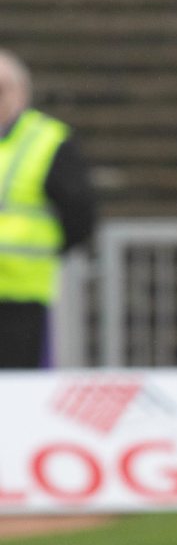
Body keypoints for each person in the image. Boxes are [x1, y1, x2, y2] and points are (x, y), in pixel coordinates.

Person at [0, 49, 97, 369]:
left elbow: (80, 213)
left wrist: (46, 249)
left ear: (22, 93)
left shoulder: (47, 140)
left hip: (20, 295)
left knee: (16, 395)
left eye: (1, 89)